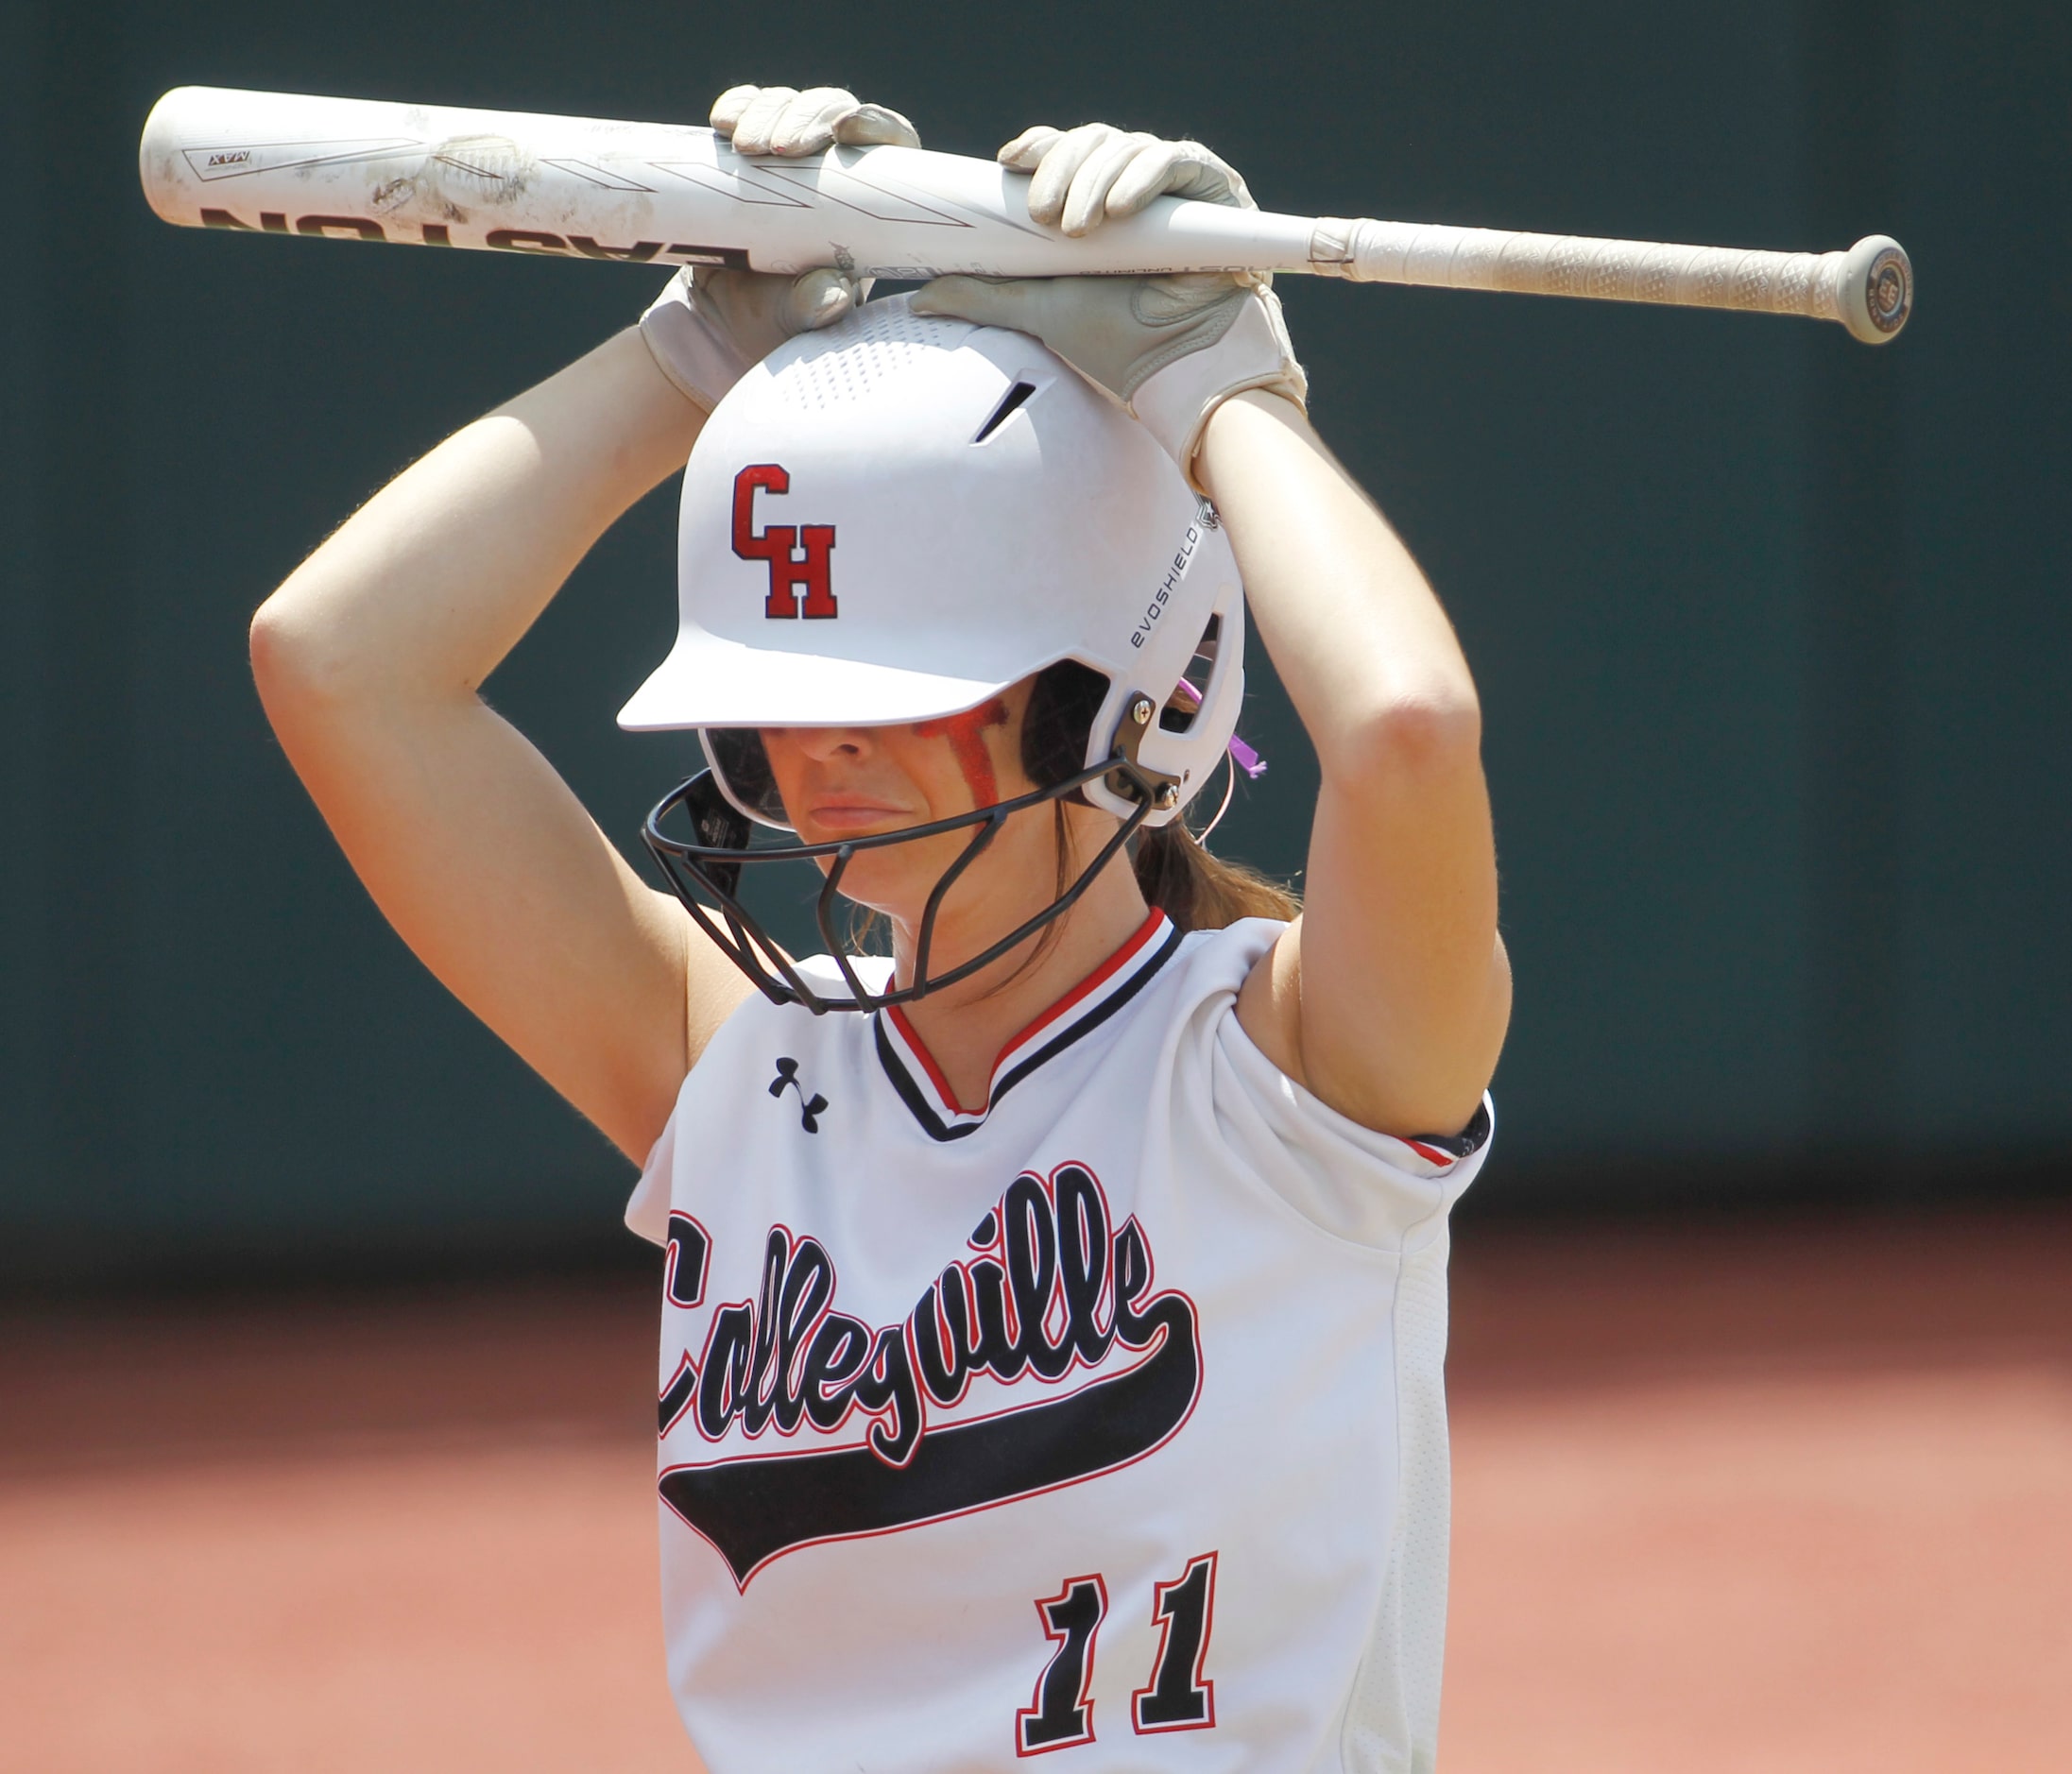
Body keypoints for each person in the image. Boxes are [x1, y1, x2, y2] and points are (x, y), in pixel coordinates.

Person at [249, 81, 1509, 1774]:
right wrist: (695, 354)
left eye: (891, 690)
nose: (814, 747)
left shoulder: (1293, 1081)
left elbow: (1406, 728)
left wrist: (1221, 389)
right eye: (777, 698)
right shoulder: (741, 1069)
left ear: (1119, 699)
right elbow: (334, 657)